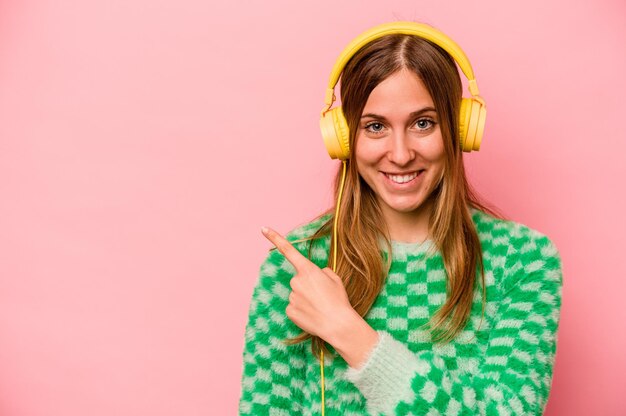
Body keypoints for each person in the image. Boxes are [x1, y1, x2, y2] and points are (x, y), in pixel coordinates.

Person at [238, 21, 563, 416]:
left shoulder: (522, 260)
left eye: (422, 123)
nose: (401, 153)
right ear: (343, 139)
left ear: (459, 129)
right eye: (375, 127)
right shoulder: (296, 270)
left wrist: (351, 334)